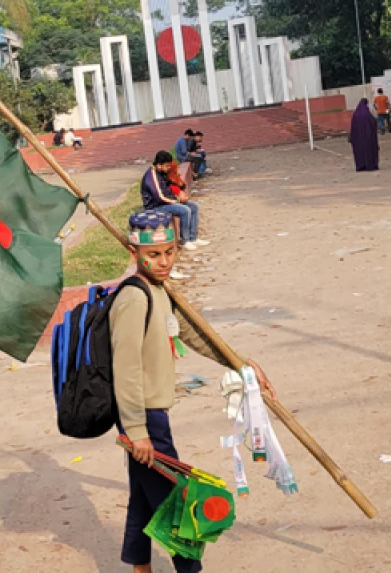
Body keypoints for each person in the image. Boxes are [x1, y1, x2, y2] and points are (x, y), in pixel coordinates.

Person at [112, 209, 273, 573]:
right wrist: (137, 431)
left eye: (170, 252)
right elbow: (125, 370)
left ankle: (140, 566)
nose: (164, 261)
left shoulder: (159, 292)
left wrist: (243, 366)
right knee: (177, 506)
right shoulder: (134, 299)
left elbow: (195, 335)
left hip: (151, 416)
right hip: (144, 418)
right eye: (153, 254)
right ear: (133, 252)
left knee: (143, 495)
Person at [142, 151, 209, 251]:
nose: (169, 168)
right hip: (156, 206)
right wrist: (176, 200)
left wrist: (178, 195)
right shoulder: (151, 176)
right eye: (167, 166)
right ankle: (185, 240)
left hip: (167, 201)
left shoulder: (161, 172)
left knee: (194, 207)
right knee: (184, 210)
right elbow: (160, 196)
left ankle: (193, 237)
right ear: (159, 165)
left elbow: (168, 188)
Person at [348, 99, 380, 171]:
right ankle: (370, 165)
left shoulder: (355, 114)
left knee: (360, 151)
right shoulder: (367, 114)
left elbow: (353, 127)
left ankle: (360, 165)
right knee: (369, 150)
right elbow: (373, 122)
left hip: (358, 138)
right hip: (368, 137)